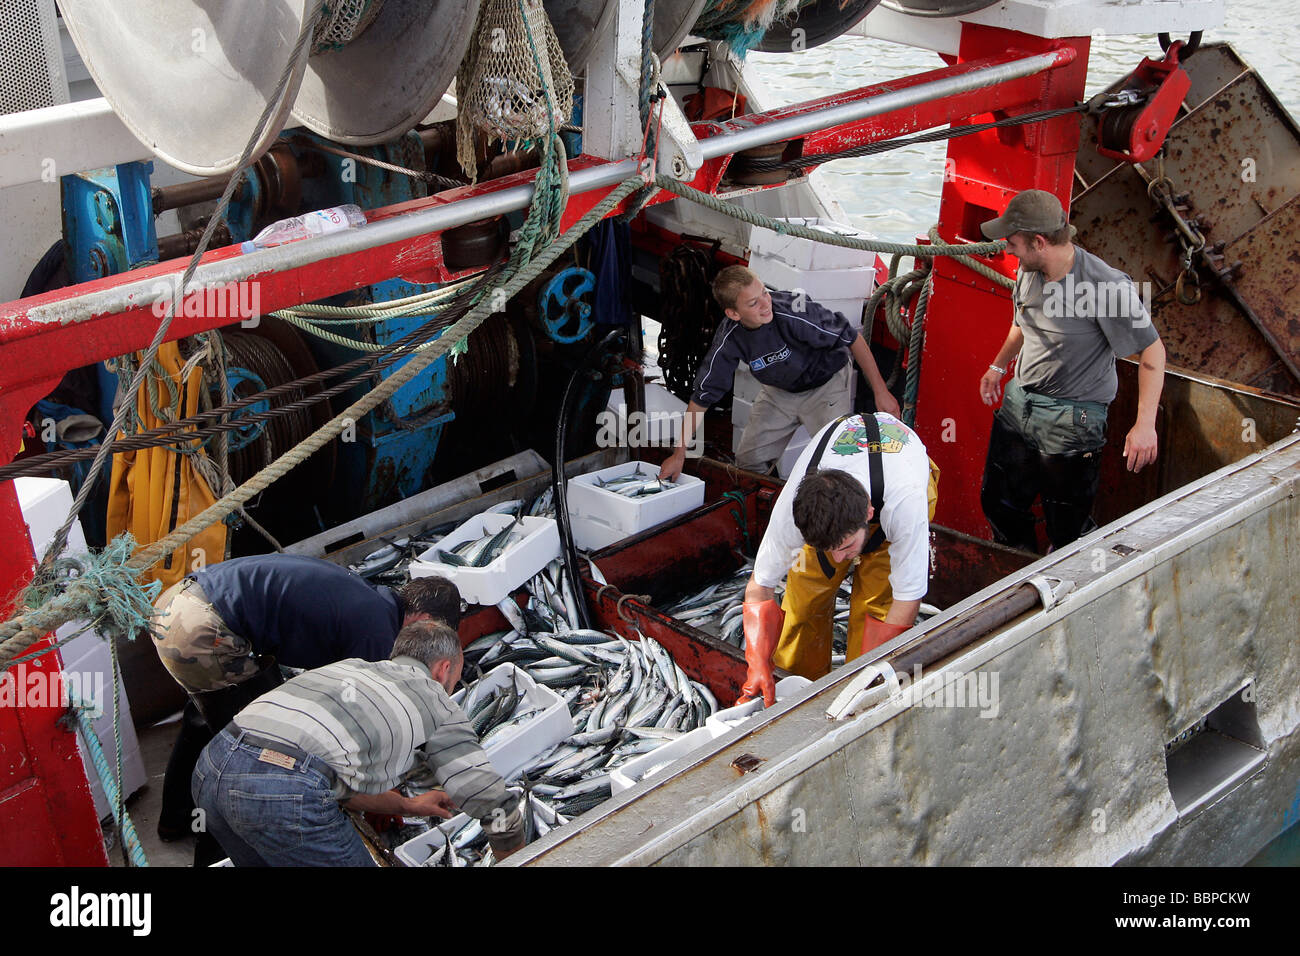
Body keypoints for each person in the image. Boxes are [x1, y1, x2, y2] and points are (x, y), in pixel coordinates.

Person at [152, 553, 461, 853]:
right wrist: (384, 796)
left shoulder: (374, 602)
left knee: (205, 722)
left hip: (178, 604)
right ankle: (219, 848)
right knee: (248, 754)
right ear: (425, 621)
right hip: (207, 628)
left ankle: (177, 820)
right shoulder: (378, 632)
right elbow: (360, 727)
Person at [192, 620, 525, 866]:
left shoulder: (347, 670)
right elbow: (487, 797)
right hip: (281, 790)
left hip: (212, 766)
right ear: (444, 669)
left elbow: (328, 775)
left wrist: (408, 806)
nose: (450, 689)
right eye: (453, 681)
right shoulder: (434, 697)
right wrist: (515, 853)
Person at [977, 190, 1166, 553]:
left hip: (1072, 420)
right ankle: (1023, 570)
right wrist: (997, 366)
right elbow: (1023, 320)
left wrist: (1145, 425)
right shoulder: (1029, 269)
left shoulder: (1106, 286)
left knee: (1067, 527)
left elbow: (1153, 351)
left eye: (1013, 242)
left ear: (1039, 242)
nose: (1008, 249)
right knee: (998, 504)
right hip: (1020, 405)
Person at [738, 412, 939, 706]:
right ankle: (798, 690)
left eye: (844, 548)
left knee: (875, 608)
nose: (837, 558)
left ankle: (859, 688)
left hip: (894, 481)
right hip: (842, 503)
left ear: (869, 515)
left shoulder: (905, 504)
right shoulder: (796, 508)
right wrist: (757, 660)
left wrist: (874, 677)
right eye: (828, 549)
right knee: (803, 603)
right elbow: (760, 585)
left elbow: (906, 599)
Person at [659, 265, 899, 481]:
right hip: (780, 392)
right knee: (748, 462)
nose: (766, 304)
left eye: (764, 292)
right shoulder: (729, 339)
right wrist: (679, 453)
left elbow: (851, 337)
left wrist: (881, 392)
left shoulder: (793, 310)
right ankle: (772, 504)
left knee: (837, 463)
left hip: (826, 385)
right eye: (753, 303)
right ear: (733, 314)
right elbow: (702, 396)